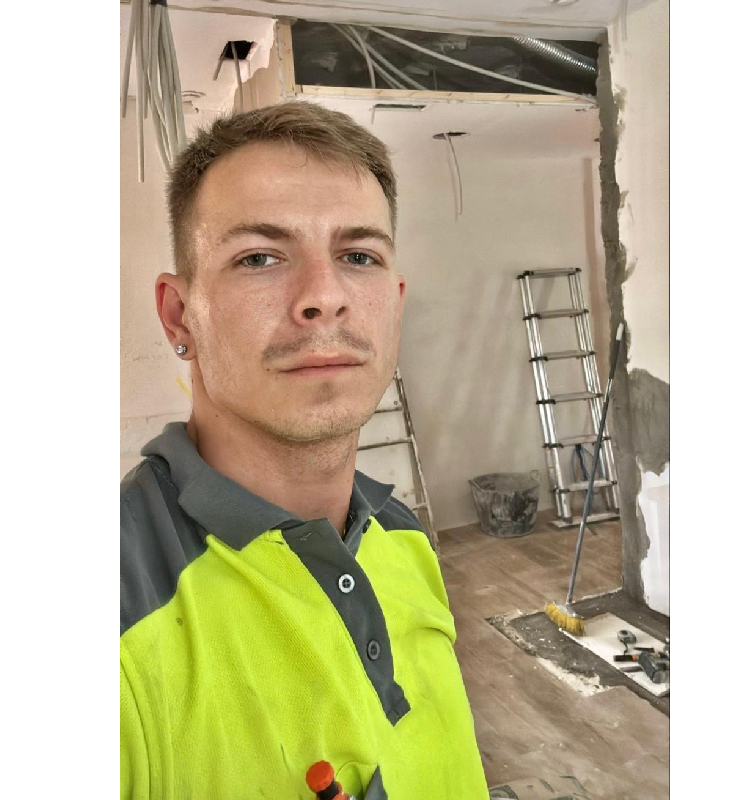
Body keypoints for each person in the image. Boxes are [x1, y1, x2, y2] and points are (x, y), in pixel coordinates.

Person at [120, 101, 489, 799]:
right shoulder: (130, 604)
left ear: (395, 302)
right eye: (259, 257)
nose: (324, 296)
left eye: (358, 257)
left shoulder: (402, 536)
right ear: (179, 316)